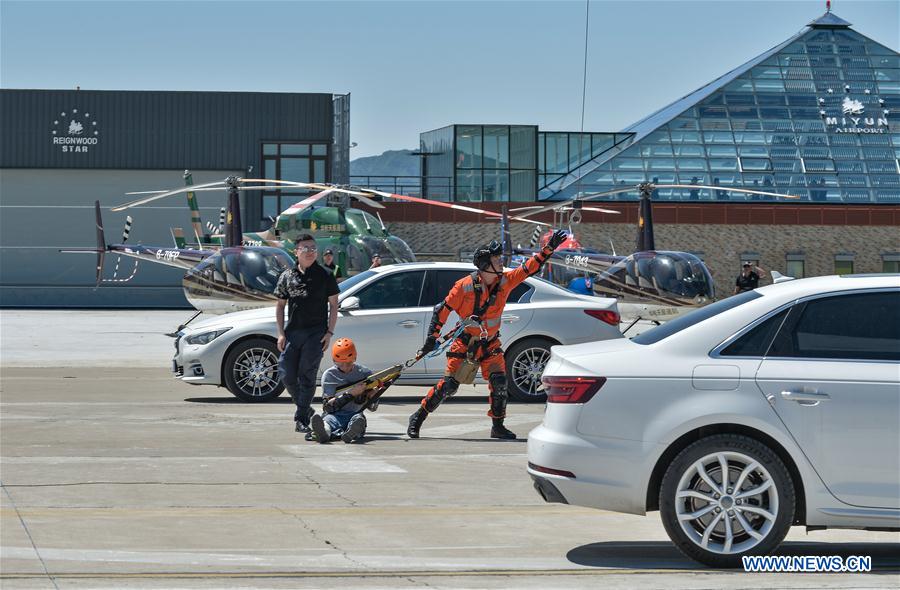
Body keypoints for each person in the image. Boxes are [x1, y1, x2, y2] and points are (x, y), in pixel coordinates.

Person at [407, 229, 569, 440]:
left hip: (490, 344)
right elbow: (441, 311)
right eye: (496, 259)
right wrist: (431, 339)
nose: (501, 262)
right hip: (465, 344)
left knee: (500, 383)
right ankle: (417, 418)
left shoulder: (506, 281)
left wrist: (548, 249)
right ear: (485, 266)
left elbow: (529, 268)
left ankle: (498, 426)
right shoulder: (463, 287)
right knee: (448, 386)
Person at [275, 234, 340, 433]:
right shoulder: (287, 275)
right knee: (286, 374)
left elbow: (334, 306)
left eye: (313, 248)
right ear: (296, 252)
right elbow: (279, 306)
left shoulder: (326, 275)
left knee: (307, 375)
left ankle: (301, 418)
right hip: (293, 333)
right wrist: (280, 333)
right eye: (305, 248)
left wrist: (329, 333)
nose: (310, 251)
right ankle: (305, 408)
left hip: (316, 334)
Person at [310, 338, 372, 444]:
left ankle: (351, 433)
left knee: (358, 420)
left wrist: (372, 395)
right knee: (327, 422)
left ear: (355, 358)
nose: (345, 368)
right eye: (340, 364)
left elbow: (372, 408)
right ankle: (323, 433)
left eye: (349, 363)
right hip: (335, 414)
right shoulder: (329, 375)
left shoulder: (365, 373)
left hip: (355, 413)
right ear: (334, 360)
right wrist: (351, 393)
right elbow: (328, 407)